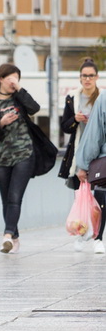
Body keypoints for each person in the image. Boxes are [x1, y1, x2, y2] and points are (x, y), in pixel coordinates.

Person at [0, 63, 41, 254]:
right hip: (2, 157)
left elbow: (35, 108)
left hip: (24, 154)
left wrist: (20, 89)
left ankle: (6, 235)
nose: (14, 82)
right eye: (11, 78)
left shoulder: (20, 99)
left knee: (15, 196)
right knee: (6, 199)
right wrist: (1, 123)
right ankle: (14, 238)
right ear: (1, 79)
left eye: (17, 78)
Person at [59, 58, 103, 252]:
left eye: (90, 75)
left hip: (99, 152)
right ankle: (82, 232)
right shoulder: (72, 98)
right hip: (78, 152)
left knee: (99, 197)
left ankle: (98, 234)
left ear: (97, 77)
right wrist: (75, 120)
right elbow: (65, 127)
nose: (87, 79)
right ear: (80, 78)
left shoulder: (101, 98)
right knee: (81, 195)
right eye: (84, 76)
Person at [75, 68, 106, 255]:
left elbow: (94, 135)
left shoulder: (103, 100)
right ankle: (98, 238)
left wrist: (84, 165)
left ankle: (99, 238)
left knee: (102, 198)